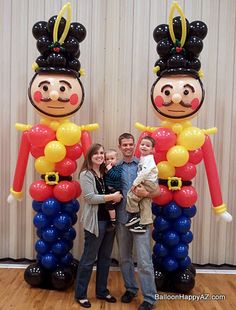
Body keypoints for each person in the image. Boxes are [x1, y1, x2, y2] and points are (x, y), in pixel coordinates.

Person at [75, 143, 122, 308]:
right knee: (88, 259)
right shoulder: (86, 174)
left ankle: (102, 291)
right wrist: (111, 197)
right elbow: (90, 198)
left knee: (105, 258)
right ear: (90, 156)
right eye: (96, 153)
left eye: (102, 153)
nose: (100, 156)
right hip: (95, 223)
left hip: (110, 221)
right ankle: (80, 294)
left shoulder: (105, 172)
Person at [116, 133, 160, 310]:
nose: (127, 147)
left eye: (130, 144)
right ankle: (131, 289)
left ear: (134, 146)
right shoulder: (115, 168)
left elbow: (157, 192)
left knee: (144, 260)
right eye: (124, 145)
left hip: (140, 219)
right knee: (124, 258)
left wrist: (146, 194)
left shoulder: (144, 165)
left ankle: (149, 298)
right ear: (119, 147)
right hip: (121, 219)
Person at [125, 136, 158, 233]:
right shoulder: (143, 158)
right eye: (142, 144)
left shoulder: (148, 159)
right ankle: (144, 223)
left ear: (152, 149)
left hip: (148, 182)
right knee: (145, 203)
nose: (144, 147)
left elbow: (144, 173)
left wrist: (135, 184)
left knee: (131, 195)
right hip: (148, 182)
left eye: (147, 146)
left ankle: (134, 215)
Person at [104, 149, 122, 231]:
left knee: (109, 205)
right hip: (109, 190)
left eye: (112, 158)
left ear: (116, 160)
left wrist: (110, 170)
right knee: (107, 206)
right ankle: (110, 219)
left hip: (115, 190)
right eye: (107, 159)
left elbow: (116, 177)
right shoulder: (106, 168)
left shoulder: (117, 168)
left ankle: (113, 221)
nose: (109, 161)